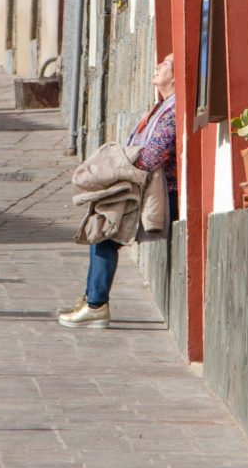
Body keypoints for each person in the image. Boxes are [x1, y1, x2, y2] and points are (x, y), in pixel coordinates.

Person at [59, 53, 177, 329]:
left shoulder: (172, 113)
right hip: (138, 184)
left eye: (167, 65)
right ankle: (91, 298)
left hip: (156, 192)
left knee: (105, 233)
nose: (158, 65)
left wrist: (117, 165)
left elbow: (152, 156)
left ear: (176, 76)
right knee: (100, 226)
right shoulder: (161, 107)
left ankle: (96, 304)